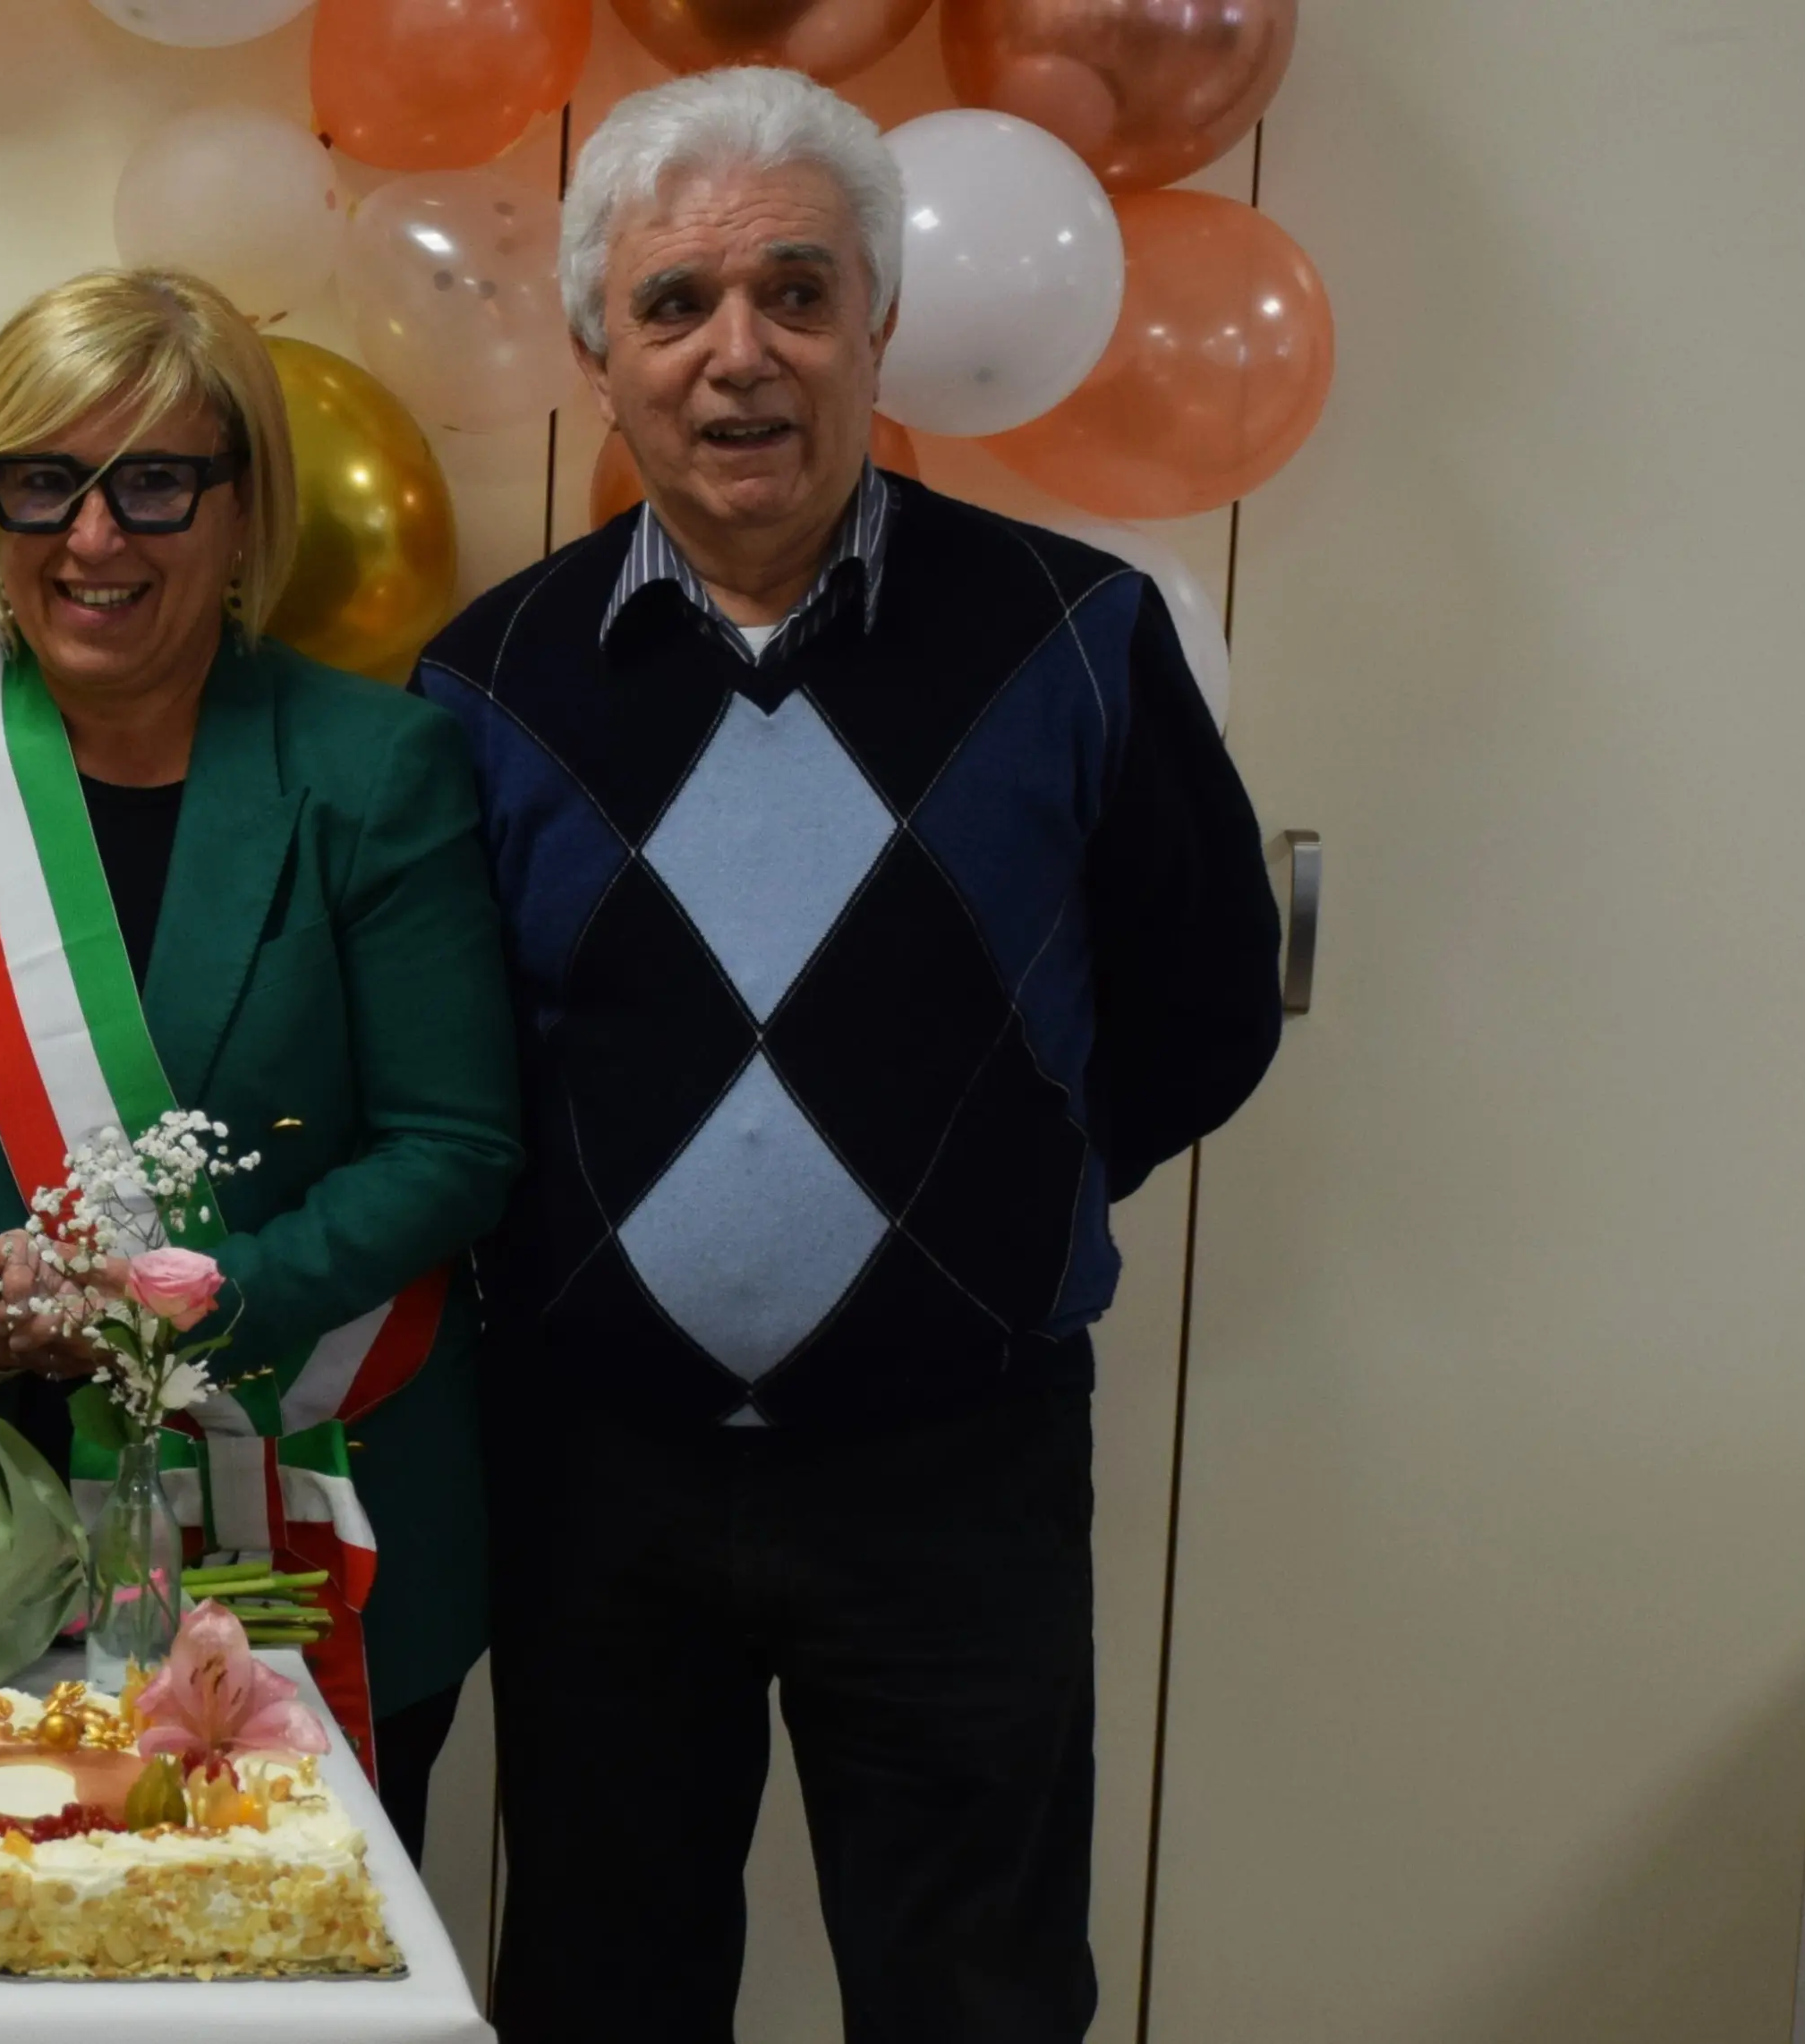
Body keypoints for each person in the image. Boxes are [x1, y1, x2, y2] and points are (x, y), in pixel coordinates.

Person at [413, 68, 1286, 2040]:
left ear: (874, 321)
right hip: (592, 1479)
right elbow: (458, 1066)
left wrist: (977, 1205)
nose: (739, 356)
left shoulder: (1075, 636)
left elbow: (1205, 1002)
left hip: (950, 1473)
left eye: (795, 293)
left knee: (971, 1991)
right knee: (597, 1983)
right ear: (594, 348)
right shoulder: (486, 681)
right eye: (675, 305)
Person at [0, 268, 521, 1852]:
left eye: (155, 483)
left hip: (329, 1492)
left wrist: (186, 1302)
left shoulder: (374, 765)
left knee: (304, 1971)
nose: (93, 537)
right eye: (42, 482)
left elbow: (453, 1144)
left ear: (241, 504)